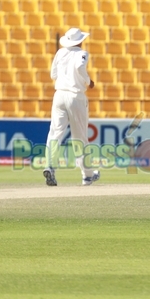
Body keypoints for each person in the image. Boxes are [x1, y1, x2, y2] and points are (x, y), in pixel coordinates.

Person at [43, 27, 96, 187]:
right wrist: (88, 80)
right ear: (80, 40)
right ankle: (87, 175)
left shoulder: (60, 53)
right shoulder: (82, 53)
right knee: (79, 137)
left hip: (59, 94)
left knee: (55, 133)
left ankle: (50, 166)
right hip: (75, 96)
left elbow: (53, 75)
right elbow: (80, 67)